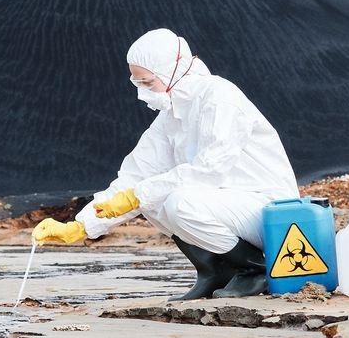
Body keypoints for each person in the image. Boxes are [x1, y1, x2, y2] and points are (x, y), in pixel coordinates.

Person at [33, 28, 299, 301]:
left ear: (173, 71)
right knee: (152, 201)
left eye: (148, 83)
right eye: (137, 84)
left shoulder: (220, 98)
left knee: (178, 202)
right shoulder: (171, 117)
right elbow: (135, 177)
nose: (142, 93)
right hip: (231, 208)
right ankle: (218, 271)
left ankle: (255, 269)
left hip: (274, 214)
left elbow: (209, 171)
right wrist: (81, 226)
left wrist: (138, 194)